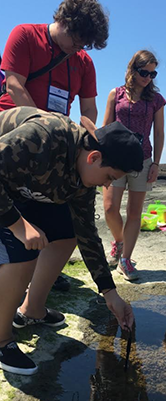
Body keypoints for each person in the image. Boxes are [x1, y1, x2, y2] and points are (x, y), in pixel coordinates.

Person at [0, 106, 144, 375]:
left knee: (68, 234)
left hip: (26, 188)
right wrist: (19, 226)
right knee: (23, 249)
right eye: (109, 178)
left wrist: (110, 294)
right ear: (94, 157)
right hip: (5, 185)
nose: (105, 186)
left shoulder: (82, 178)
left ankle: (32, 309)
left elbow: (87, 234)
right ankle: (1, 339)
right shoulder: (43, 136)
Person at [0, 0, 109, 291]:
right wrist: (46, 127)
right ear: (64, 20)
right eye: (76, 40)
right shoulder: (24, 35)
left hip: (57, 146)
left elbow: (88, 109)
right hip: (16, 135)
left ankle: (37, 284)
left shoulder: (83, 62)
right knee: (16, 218)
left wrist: (91, 143)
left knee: (65, 226)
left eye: (84, 44)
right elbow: (13, 85)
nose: (78, 48)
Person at [102, 50, 166, 281]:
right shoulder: (115, 93)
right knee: (109, 208)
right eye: (144, 72)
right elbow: (105, 127)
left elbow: (159, 133)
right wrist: (101, 157)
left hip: (143, 159)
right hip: (115, 159)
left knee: (134, 213)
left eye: (152, 73)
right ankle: (119, 241)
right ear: (133, 69)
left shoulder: (156, 100)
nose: (148, 77)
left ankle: (125, 259)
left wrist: (156, 163)